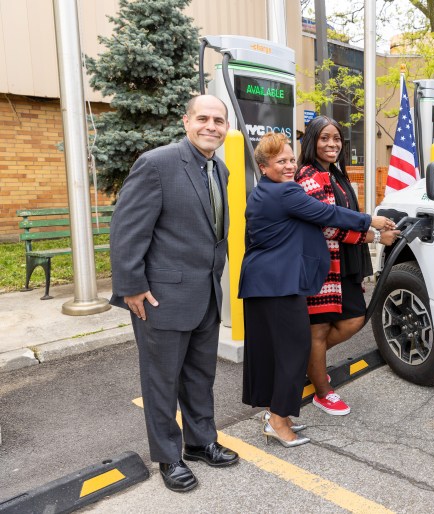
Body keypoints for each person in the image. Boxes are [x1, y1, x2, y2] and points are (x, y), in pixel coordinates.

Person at [109, 95, 239, 493]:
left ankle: (200, 443)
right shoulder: (157, 163)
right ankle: (169, 457)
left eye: (219, 120)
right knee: (162, 381)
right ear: (186, 122)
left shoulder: (220, 168)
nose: (211, 126)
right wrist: (131, 286)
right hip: (160, 298)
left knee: (200, 376)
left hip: (206, 295)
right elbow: (127, 229)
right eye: (203, 118)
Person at [238, 132, 395, 447]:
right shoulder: (285, 192)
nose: (289, 165)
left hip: (265, 283)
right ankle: (279, 421)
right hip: (277, 285)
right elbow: (328, 213)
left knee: (277, 351)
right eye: (280, 161)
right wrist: (371, 221)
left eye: (291, 159)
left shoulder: (262, 191)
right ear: (264, 166)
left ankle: (275, 414)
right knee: (295, 350)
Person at [295, 116, 400, 416]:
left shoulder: (336, 175)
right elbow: (327, 224)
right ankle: (322, 391)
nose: (332, 144)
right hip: (322, 266)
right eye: (325, 138)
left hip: (345, 261)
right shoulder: (308, 177)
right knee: (318, 330)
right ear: (312, 141)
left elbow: (345, 215)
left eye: (337, 138)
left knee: (354, 319)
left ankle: (307, 362)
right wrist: (376, 234)